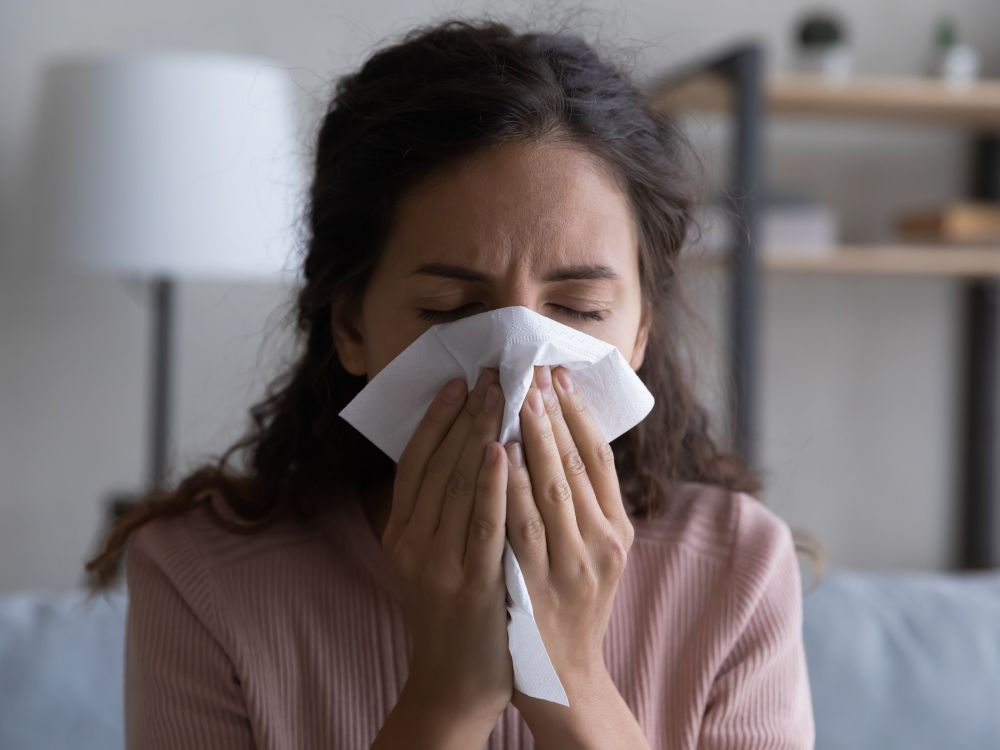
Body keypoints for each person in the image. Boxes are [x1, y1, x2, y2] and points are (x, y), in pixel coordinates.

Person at [86, 16, 820, 749]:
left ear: (638, 333)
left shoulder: (734, 567)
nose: (517, 360)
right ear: (351, 326)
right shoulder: (202, 577)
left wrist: (567, 677)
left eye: (579, 309)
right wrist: (448, 697)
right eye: (452, 310)